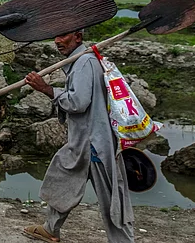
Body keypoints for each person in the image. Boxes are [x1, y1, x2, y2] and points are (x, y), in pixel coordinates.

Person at [22, 29, 135, 243]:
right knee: (63, 177)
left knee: (111, 198)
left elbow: (77, 103)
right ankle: (50, 228)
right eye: (55, 36)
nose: (56, 40)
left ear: (78, 37)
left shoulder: (84, 63)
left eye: (63, 36)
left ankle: (123, 240)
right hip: (82, 140)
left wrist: (46, 89)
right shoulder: (81, 61)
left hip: (94, 144)